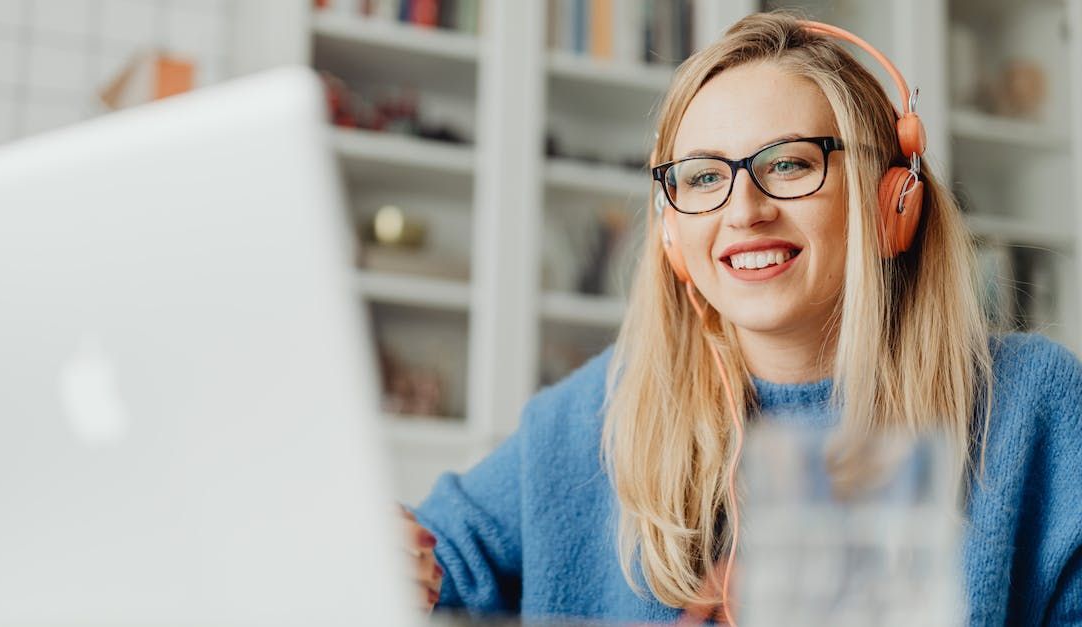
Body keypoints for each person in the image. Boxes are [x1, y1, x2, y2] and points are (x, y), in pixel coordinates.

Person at [400, 11, 1082, 626]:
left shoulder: (1032, 403)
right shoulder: (593, 415)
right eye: (701, 177)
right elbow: (434, 556)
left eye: (788, 164)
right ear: (672, 233)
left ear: (891, 205)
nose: (743, 208)